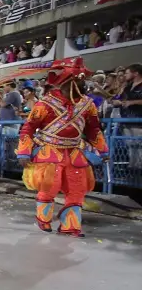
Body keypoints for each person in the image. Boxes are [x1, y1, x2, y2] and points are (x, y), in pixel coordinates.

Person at [16, 58, 108, 236]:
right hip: (50, 153)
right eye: (79, 80)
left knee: (76, 190)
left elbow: (93, 129)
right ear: (68, 82)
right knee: (49, 188)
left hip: (74, 153)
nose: (84, 84)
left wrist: (103, 150)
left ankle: (71, 225)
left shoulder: (87, 105)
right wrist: (24, 152)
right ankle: (44, 220)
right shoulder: (44, 104)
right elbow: (28, 129)